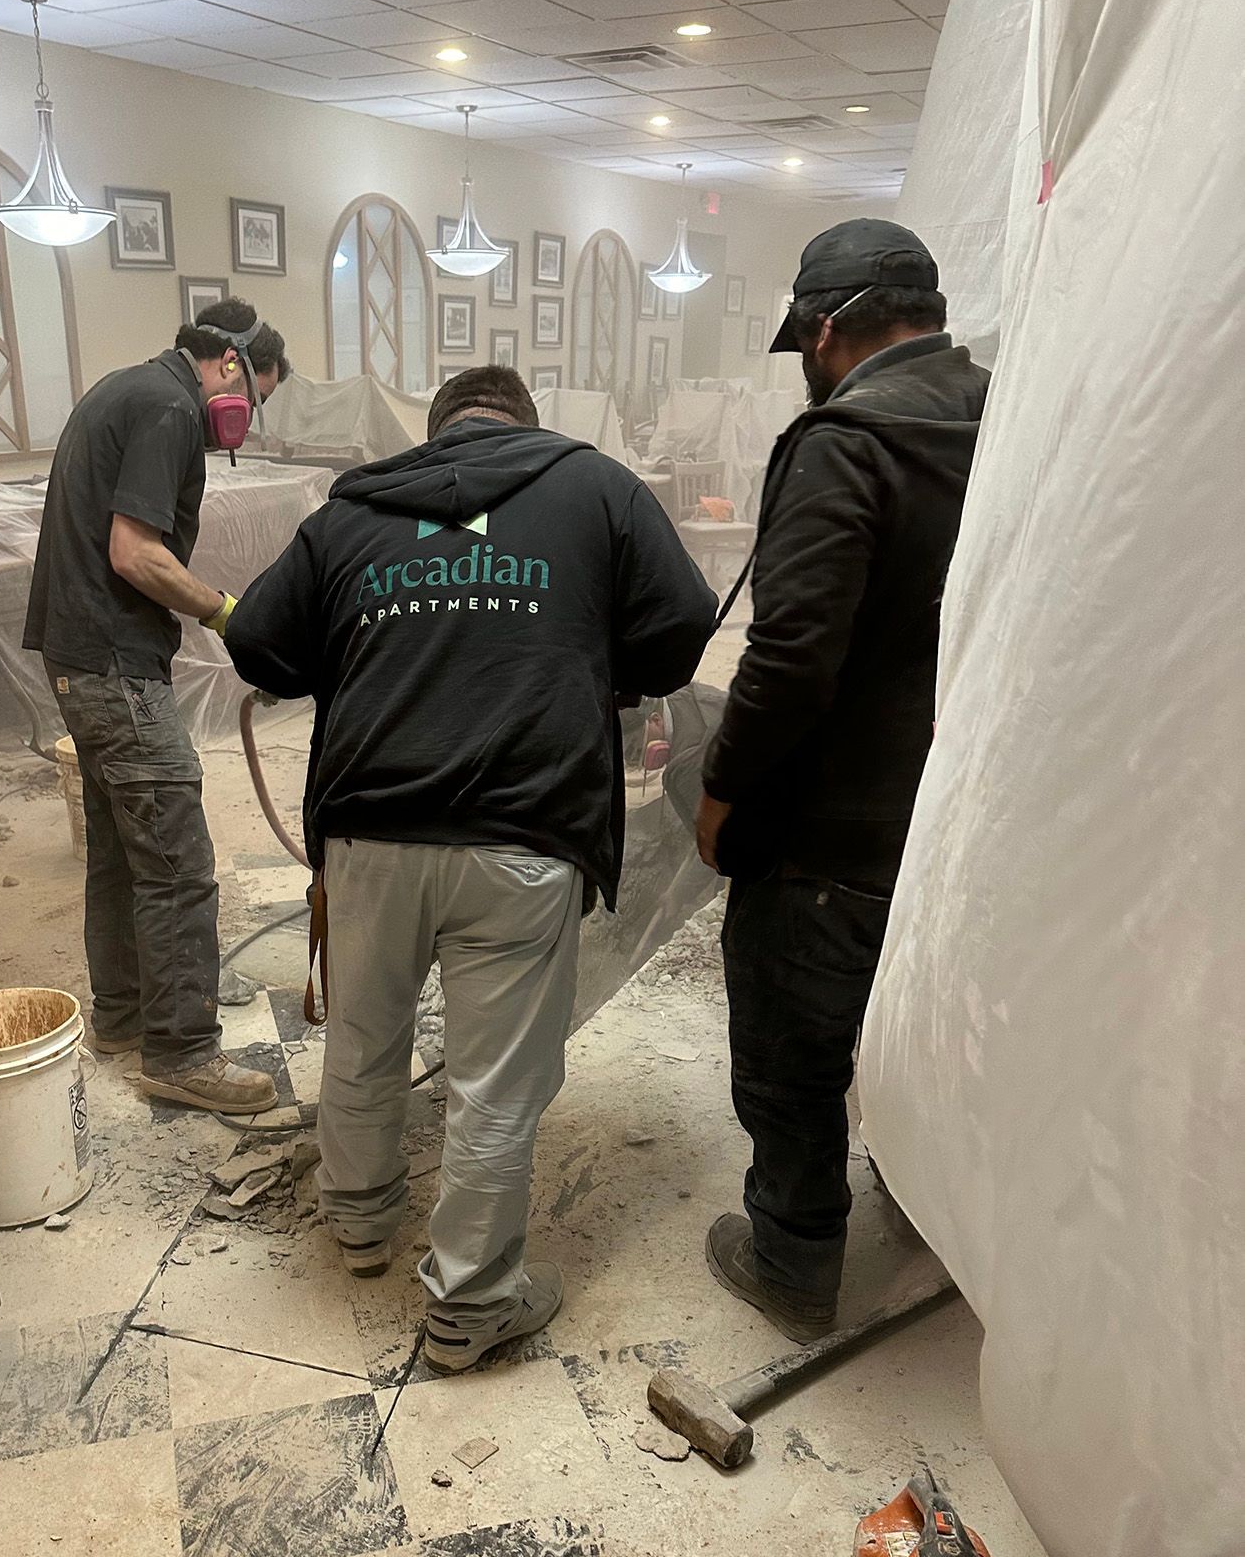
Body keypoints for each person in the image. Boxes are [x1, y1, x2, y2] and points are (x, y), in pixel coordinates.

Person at [223, 366, 715, 1371]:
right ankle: (471, 1305)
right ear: (524, 429)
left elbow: (263, 646)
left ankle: (359, 1222)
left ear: (439, 432)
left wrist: (372, 643)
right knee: (495, 1081)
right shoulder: (600, 487)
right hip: (526, 832)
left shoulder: (351, 509)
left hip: (370, 833)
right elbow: (681, 635)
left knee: (362, 1034)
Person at [695, 220, 989, 1344]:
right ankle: (922, 1206)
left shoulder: (846, 439)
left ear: (825, 330)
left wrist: (724, 790)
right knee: (927, 1027)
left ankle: (793, 1258)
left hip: (831, 827)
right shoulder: (1006, 411)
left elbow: (790, 654)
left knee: (792, 1047)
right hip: (957, 811)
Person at [23, 298, 291, 1113]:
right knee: (179, 862)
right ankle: (181, 1054)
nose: (247, 416)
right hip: (115, 665)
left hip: (80, 657)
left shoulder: (130, 390)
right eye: (258, 394)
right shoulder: (171, 408)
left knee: (119, 848)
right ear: (228, 364)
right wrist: (225, 612)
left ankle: (125, 1016)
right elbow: (135, 553)